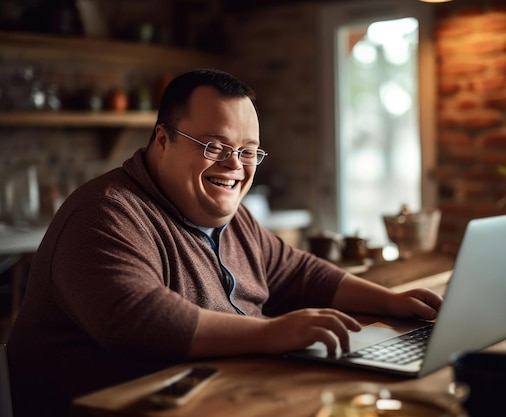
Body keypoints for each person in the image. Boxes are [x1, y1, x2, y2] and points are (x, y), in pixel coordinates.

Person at [7, 69, 442, 417]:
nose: (236, 165)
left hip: (229, 394)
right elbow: (135, 320)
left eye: (249, 150)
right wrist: (273, 333)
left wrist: (392, 303)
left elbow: (297, 271)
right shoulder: (104, 213)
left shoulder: (233, 217)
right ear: (163, 140)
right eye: (215, 146)